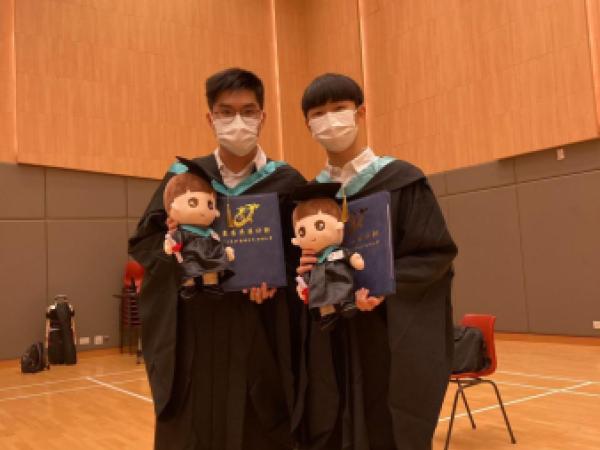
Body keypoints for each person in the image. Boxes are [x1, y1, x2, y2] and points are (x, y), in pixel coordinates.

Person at [129, 67, 306, 450]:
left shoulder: (287, 182)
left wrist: (277, 281)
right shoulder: (184, 179)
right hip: (196, 330)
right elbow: (145, 243)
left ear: (262, 116)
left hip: (259, 330)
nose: (237, 121)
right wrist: (177, 249)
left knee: (257, 428)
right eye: (226, 112)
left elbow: (303, 256)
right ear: (210, 118)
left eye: (248, 111)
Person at [292, 73, 458, 450]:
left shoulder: (402, 180)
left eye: (339, 108)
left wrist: (383, 284)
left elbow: (434, 255)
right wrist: (304, 272)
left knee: (385, 427)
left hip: (385, 335)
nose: (330, 120)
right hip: (332, 339)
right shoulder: (310, 198)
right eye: (319, 113)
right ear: (308, 126)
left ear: (361, 112)